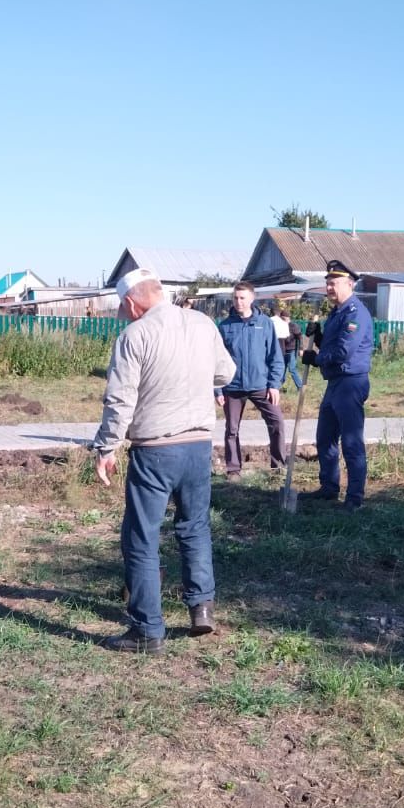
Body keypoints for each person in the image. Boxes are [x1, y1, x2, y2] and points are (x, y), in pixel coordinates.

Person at [92, 268, 236, 654]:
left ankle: (146, 631)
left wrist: (106, 448)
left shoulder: (135, 335)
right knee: (194, 526)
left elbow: (120, 400)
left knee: (142, 537)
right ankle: (201, 608)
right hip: (198, 446)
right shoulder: (203, 323)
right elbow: (227, 371)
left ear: (130, 303)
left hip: (154, 449)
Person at [302, 260, 375, 510]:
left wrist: (316, 359)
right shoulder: (337, 313)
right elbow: (332, 347)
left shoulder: (356, 313)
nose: (329, 288)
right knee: (325, 438)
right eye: (327, 284)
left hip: (351, 383)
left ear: (349, 284)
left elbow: (344, 352)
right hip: (334, 382)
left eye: (334, 283)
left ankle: (355, 498)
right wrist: (319, 337)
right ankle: (329, 488)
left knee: (352, 442)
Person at [216, 282, 286, 479]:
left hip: (260, 385)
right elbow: (217, 360)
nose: (238, 302)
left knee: (277, 423)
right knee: (231, 429)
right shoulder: (225, 326)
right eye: (235, 298)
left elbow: (275, 357)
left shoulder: (265, 324)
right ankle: (233, 469)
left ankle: (278, 468)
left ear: (252, 299)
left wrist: (274, 385)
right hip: (233, 387)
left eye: (242, 298)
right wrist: (218, 390)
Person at [269, 303, 303, 393]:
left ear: (288, 318)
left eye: (284, 318)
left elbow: (300, 337)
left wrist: (301, 349)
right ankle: (278, 387)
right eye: (282, 318)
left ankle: (300, 386)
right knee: (281, 369)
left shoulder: (293, 326)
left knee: (292, 369)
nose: (283, 320)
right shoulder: (280, 325)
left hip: (292, 350)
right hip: (283, 350)